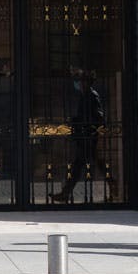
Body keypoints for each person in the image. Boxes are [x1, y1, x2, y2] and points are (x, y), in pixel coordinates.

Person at [51, 67, 105, 203]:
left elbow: (99, 116)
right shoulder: (85, 95)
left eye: (79, 82)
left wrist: (83, 122)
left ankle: (65, 193)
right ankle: (65, 193)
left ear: (85, 83)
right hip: (84, 137)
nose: (77, 84)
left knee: (79, 166)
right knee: (92, 164)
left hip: (88, 137)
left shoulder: (92, 95)